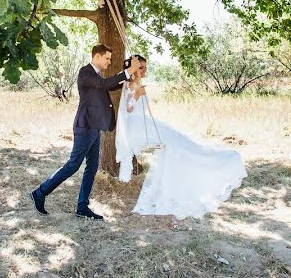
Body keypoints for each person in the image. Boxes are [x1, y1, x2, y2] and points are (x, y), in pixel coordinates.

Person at [116, 56, 247, 219]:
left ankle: (170, 188)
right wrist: (137, 95)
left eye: (145, 67)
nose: (144, 70)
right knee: (174, 141)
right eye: (141, 67)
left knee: (176, 142)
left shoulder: (137, 84)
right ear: (134, 68)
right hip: (137, 126)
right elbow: (128, 110)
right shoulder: (131, 84)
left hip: (145, 122)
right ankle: (177, 185)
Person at [30, 44, 138, 220]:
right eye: (107, 58)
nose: (109, 62)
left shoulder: (97, 76)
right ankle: (40, 192)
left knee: (92, 167)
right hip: (85, 126)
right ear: (97, 56)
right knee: (73, 165)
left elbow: (107, 86)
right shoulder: (85, 72)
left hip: (94, 127)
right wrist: (126, 72)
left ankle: (82, 206)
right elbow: (104, 84)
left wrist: (127, 81)